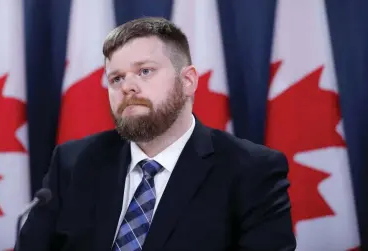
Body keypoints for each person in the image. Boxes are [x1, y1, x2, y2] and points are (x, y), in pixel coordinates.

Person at [18, 17, 296, 251]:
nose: (128, 87)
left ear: (187, 81)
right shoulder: (73, 162)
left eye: (145, 71)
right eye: (116, 78)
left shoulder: (252, 171)